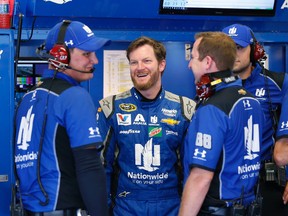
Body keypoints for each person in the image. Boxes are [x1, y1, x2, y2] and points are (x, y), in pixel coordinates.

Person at [14, 20, 110, 216]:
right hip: (64, 208)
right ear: (61, 55)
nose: (95, 60)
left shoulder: (26, 99)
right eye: (86, 54)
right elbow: (89, 165)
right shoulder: (75, 96)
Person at [97, 36, 196, 216]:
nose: (139, 67)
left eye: (146, 61)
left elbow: (192, 169)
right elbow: (102, 166)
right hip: (125, 207)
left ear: (161, 65)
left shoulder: (185, 109)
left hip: (172, 207)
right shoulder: (110, 108)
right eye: (133, 62)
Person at [178, 32, 264, 216]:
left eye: (193, 58)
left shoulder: (212, 109)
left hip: (215, 209)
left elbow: (201, 177)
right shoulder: (254, 101)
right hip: (248, 206)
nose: (189, 64)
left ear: (207, 62)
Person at [222, 23, 288, 215]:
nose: (233, 54)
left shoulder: (279, 83)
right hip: (228, 183)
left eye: (239, 48)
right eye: (227, 49)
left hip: (266, 183)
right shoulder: (213, 88)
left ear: (254, 51)